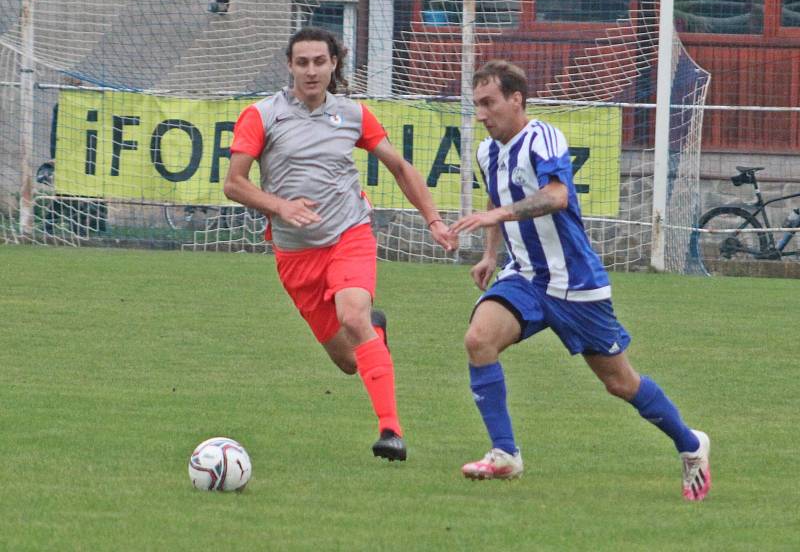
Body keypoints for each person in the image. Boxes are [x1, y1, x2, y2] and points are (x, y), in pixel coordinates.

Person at [449, 60, 711, 501]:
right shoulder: (485, 152)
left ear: (516, 100)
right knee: (478, 341)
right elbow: (498, 198)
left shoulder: (542, 137)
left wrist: (498, 214)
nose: (481, 114)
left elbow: (556, 196)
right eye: (476, 105)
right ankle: (505, 453)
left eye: (488, 103)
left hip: (576, 284)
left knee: (620, 383)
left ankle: (691, 445)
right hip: (526, 278)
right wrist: (491, 254)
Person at [223, 27, 456, 462]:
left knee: (353, 314)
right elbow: (234, 184)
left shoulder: (353, 114)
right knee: (349, 361)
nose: (311, 71)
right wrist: (280, 206)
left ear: (334, 64)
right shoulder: (262, 115)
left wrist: (434, 220)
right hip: (295, 254)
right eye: (302, 62)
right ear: (289, 66)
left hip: (350, 233)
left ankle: (391, 431)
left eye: (319, 62)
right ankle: (375, 332)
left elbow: (400, 167)